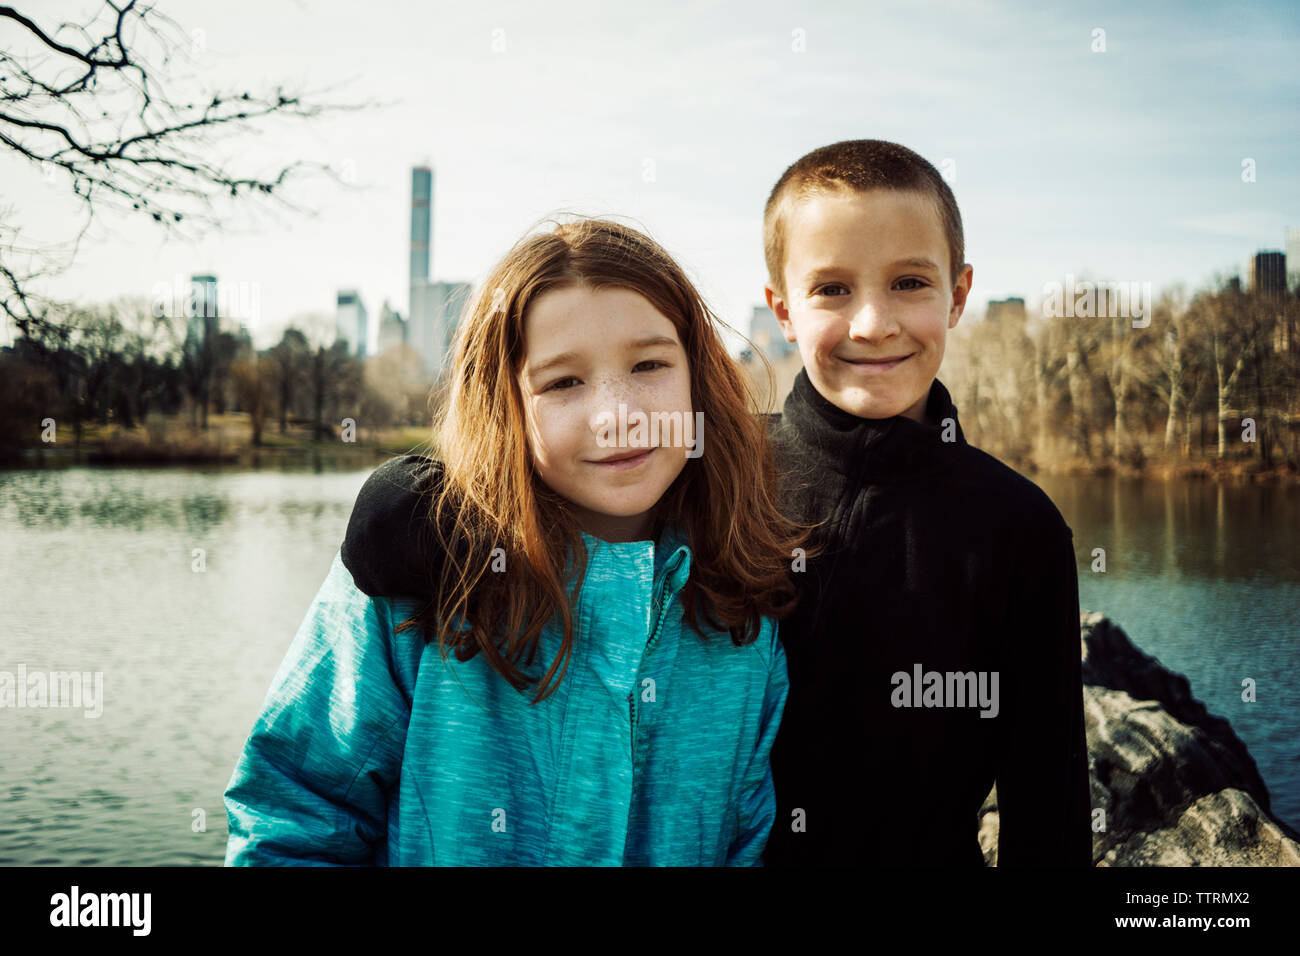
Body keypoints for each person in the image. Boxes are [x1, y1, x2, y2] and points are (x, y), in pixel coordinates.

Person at [222, 216, 812, 866]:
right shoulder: (413, 584)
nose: (617, 415)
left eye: (649, 365)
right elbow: (293, 819)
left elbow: (746, 842)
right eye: (563, 382)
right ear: (505, 404)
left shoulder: (744, 605)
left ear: (698, 376)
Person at [757, 139, 1093, 866]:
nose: (874, 323)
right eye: (832, 289)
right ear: (783, 310)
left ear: (959, 295)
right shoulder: (717, 477)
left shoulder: (1019, 529)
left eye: (909, 283)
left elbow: (1049, 801)